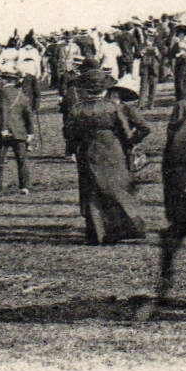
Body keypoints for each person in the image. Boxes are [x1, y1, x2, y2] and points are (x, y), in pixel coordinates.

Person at [62, 65, 148, 244]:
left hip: (88, 151)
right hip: (113, 150)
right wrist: (129, 145)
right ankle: (129, 226)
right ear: (105, 88)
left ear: (85, 89)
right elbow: (126, 131)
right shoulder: (113, 107)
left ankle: (97, 233)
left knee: (92, 191)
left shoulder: (77, 109)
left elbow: (70, 133)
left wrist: (72, 149)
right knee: (117, 188)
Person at [0, 64, 37, 196]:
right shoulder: (23, 95)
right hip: (20, 132)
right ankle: (24, 186)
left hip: (5, 132)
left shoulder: (3, 92)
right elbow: (28, 114)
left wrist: (3, 128)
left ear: (7, 79)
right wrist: (31, 132)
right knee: (22, 160)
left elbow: (4, 112)